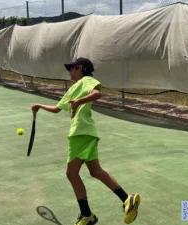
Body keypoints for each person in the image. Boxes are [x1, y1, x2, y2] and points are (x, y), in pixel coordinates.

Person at [31, 57, 140, 225]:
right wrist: (39, 106)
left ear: (79, 68)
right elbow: (56, 109)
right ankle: (127, 199)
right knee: (96, 171)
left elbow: (97, 93)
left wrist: (79, 101)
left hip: (80, 133)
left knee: (71, 173)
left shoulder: (87, 80)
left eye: (71, 68)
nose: (69, 71)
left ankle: (86, 214)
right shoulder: (72, 89)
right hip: (88, 133)